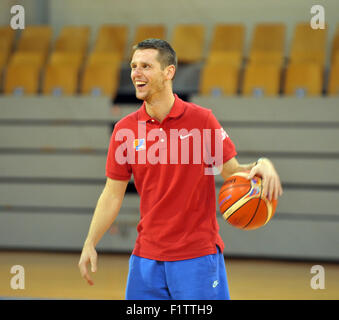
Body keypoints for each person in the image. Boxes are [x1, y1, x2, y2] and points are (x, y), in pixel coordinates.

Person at [78, 39, 283, 300]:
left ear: (169, 72)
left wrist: (261, 164)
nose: (136, 74)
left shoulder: (202, 120)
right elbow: (112, 194)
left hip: (197, 257)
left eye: (146, 66)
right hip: (146, 259)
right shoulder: (125, 130)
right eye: (133, 66)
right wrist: (90, 242)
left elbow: (232, 172)